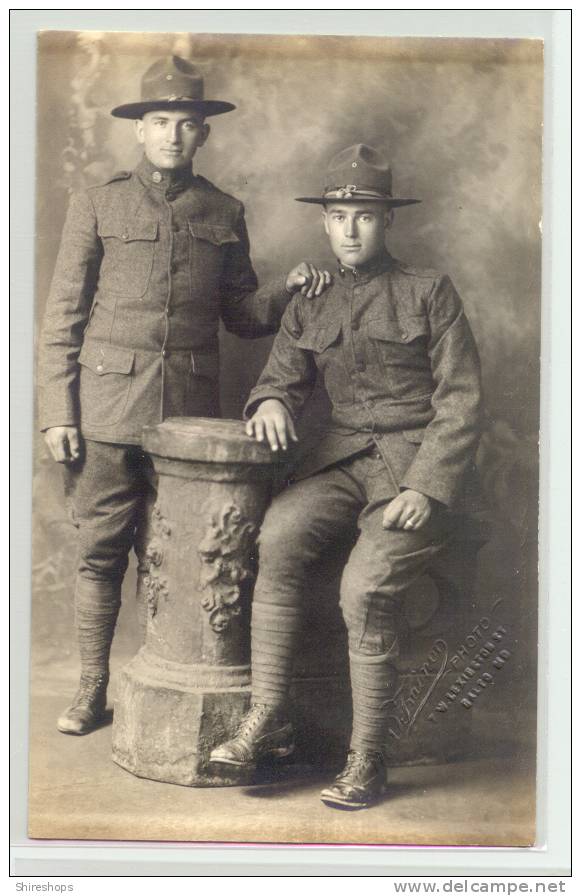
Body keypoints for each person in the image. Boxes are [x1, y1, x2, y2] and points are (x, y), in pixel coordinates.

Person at [38, 55, 331, 737]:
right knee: (101, 552)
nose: (172, 135)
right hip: (107, 412)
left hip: (191, 424)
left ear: (204, 135)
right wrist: (58, 412)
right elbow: (61, 317)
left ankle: (158, 690)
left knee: (175, 555)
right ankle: (91, 690)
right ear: (139, 131)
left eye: (186, 124)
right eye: (159, 121)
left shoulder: (223, 212)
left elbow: (241, 315)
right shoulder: (99, 202)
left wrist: (286, 289)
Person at [209, 143, 483, 810]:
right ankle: (267, 718)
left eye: (362, 215)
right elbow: (281, 377)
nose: (350, 229)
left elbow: (461, 400)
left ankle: (367, 759)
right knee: (274, 537)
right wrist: (270, 400)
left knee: (363, 589)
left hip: (413, 471)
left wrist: (425, 486)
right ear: (325, 224)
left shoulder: (429, 292)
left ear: (386, 221)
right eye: (337, 216)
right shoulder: (312, 298)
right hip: (338, 461)